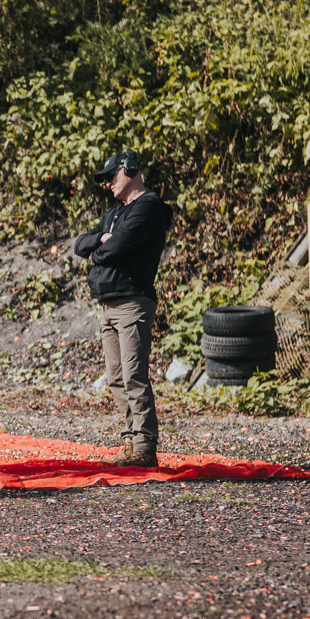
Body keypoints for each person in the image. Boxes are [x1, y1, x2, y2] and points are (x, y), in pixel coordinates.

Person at [71, 149, 174, 467]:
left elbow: (113, 248)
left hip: (132, 302)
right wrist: (102, 238)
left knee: (134, 376)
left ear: (130, 169)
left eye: (111, 176)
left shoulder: (149, 207)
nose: (107, 184)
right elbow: (80, 243)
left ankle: (144, 446)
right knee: (116, 377)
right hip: (109, 304)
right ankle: (131, 443)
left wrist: (100, 248)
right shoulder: (115, 213)